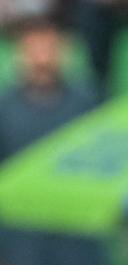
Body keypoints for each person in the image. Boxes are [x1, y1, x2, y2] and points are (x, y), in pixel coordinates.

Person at [0, 16, 98, 162]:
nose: (42, 60)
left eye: (49, 49)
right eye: (33, 51)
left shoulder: (89, 104)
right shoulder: (3, 110)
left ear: (64, 53)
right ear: (18, 56)